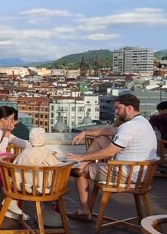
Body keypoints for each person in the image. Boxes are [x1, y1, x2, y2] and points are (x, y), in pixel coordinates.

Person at [66, 93, 158, 221]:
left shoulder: (130, 127)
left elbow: (110, 152)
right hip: (140, 172)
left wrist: (81, 157)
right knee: (100, 139)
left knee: (80, 174)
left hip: (126, 174)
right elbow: (108, 131)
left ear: (129, 108)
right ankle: (82, 165)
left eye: (118, 108)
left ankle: (84, 211)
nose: (116, 112)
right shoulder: (142, 122)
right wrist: (85, 132)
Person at [4, 127, 63, 221]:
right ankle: (50, 209)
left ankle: (12, 202)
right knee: (56, 182)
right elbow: (58, 168)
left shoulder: (23, 154)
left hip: (21, 187)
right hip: (41, 189)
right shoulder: (48, 154)